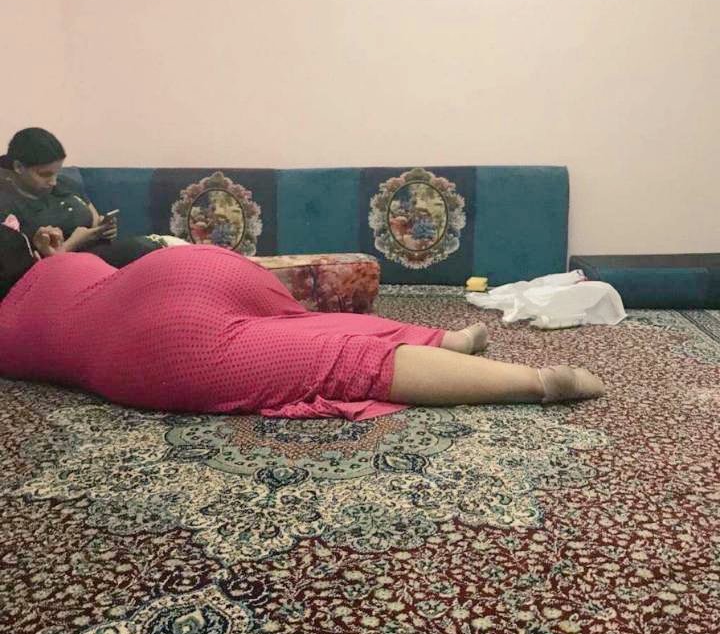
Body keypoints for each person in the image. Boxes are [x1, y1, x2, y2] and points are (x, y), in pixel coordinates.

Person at [0, 219, 604, 419]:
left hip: (159, 346)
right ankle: (448, 337)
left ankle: (540, 383)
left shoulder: (9, 324)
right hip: (186, 271)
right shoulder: (61, 267)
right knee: (302, 323)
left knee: (340, 363)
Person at [0, 127, 171, 267]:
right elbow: (27, 269)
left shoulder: (65, 184)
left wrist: (104, 230)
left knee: (152, 250)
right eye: (45, 174)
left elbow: (95, 220)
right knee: (147, 249)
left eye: (57, 172)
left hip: (102, 256)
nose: (53, 182)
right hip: (68, 269)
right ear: (19, 167)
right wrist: (75, 242)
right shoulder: (8, 205)